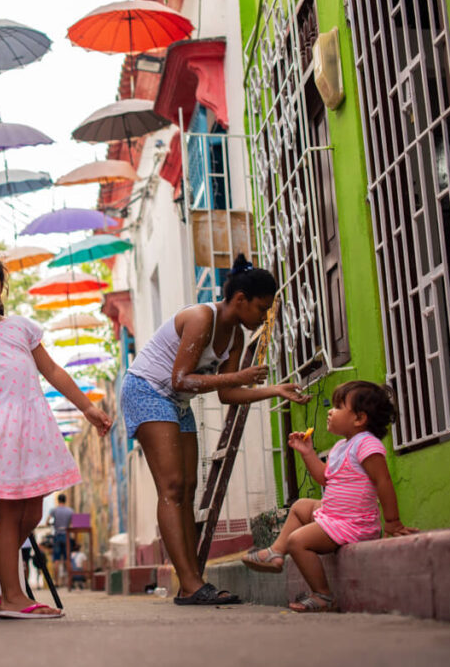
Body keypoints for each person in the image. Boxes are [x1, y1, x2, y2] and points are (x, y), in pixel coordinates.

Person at [121, 253, 310, 606]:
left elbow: (227, 394)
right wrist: (238, 375)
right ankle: (192, 585)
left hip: (176, 400)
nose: (264, 316)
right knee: (173, 485)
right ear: (240, 300)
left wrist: (274, 389)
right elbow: (181, 378)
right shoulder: (200, 318)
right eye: (260, 308)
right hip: (146, 390)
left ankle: (191, 583)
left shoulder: (235, 336)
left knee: (189, 487)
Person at [0, 246, 112, 619]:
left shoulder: (20, 327)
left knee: (32, 509)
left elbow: (53, 372)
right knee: (10, 513)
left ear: (1, 284)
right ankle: (13, 596)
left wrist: (88, 408)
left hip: (33, 427)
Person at [242, 381, 418, 612]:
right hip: (334, 516)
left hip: (352, 524)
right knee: (301, 506)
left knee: (298, 541)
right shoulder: (340, 448)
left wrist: (393, 522)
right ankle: (276, 553)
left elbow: (382, 481)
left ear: (359, 419)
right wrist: (307, 453)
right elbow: (325, 478)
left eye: (338, 406)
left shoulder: (366, 444)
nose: (330, 410)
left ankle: (322, 595)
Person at [46, 494, 74, 584]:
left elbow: (47, 522)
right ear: (65, 500)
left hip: (57, 535)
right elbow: (73, 524)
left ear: (58, 500)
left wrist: (53, 524)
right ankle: (70, 582)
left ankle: (57, 582)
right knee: (67, 559)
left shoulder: (54, 510)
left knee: (56, 560)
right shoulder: (70, 510)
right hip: (66, 535)